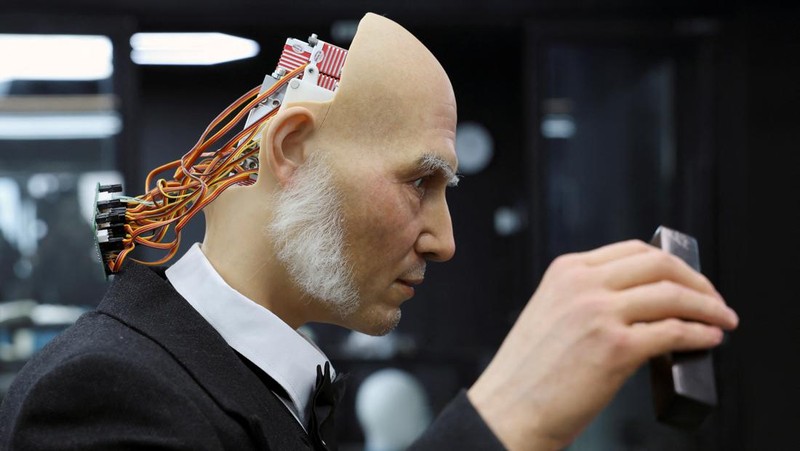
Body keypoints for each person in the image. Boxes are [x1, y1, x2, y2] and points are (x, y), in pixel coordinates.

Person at [0, 12, 738, 451]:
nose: (445, 241)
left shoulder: (262, 383)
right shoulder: (104, 391)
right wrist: (502, 417)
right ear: (289, 148)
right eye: (420, 181)